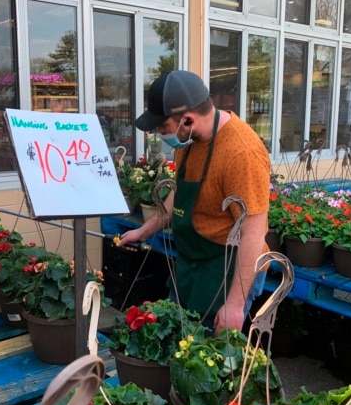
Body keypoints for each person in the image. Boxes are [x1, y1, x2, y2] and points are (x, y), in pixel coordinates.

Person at [116, 70, 271, 334]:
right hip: (192, 262)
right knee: (176, 339)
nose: (159, 133)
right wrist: (144, 230)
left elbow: (253, 232)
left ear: (187, 119)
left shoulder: (241, 153)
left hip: (228, 269)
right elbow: (181, 195)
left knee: (210, 359)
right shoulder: (188, 140)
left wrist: (234, 305)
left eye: (162, 127)